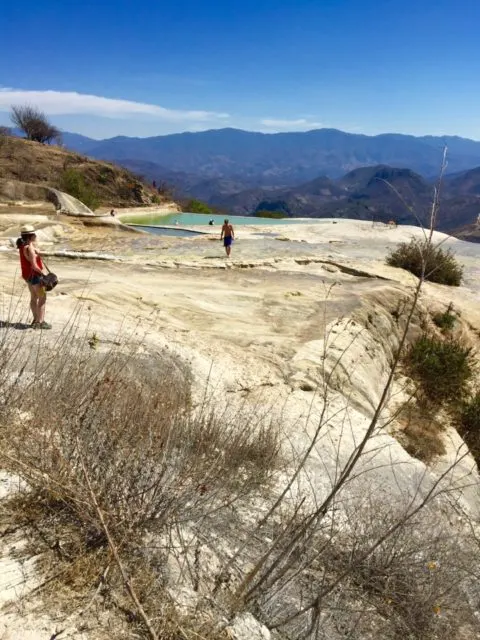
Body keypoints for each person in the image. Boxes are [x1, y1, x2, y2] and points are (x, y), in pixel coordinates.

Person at [17, 225, 51, 329]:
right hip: (36, 277)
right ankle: (40, 322)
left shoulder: (23, 246)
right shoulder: (30, 248)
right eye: (34, 234)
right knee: (42, 298)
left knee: (34, 297)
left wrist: (36, 252)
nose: (36, 235)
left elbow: (29, 257)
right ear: (30, 236)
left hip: (28, 276)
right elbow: (34, 266)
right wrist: (44, 274)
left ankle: (35, 320)